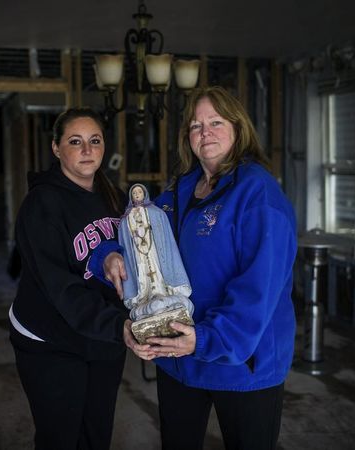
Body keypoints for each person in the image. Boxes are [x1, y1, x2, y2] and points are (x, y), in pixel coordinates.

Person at [92, 86, 297, 450]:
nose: (206, 132)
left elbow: (258, 290)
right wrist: (107, 254)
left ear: (239, 128)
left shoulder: (258, 194)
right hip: (180, 359)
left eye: (216, 122)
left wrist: (204, 340)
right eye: (196, 125)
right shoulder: (181, 190)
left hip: (241, 363)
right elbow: (143, 236)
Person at [9, 108, 130, 450]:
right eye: (75, 142)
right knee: (60, 438)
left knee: (97, 435)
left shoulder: (115, 198)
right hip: (51, 339)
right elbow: (60, 287)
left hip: (104, 339)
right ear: (56, 148)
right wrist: (117, 326)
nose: (87, 150)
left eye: (95, 141)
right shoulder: (41, 205)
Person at [118, 183, 194, 326]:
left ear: (145, 193)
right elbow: (125, 244)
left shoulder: (157, 213)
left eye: (139, 192)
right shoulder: (125, 219)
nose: (137, 195)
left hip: (155, 251)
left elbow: (165, 236)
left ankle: (163, 291)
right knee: (142, 274)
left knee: (158, 270)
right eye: (134, 193)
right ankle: (146, 297)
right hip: (138, 255)